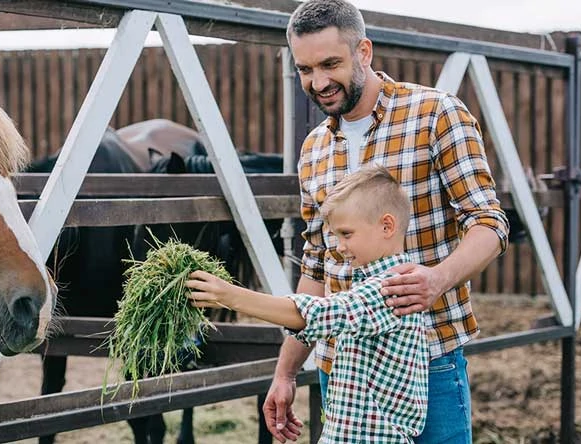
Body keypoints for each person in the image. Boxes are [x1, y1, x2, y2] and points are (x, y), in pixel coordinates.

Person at [263, 1, 510, 443]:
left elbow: (488, 222)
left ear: (364, 52)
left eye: (330, 64)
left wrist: (437, 279)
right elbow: (316, 268)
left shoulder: (436, 115)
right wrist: (285, 372)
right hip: (342, 373)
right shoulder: (314, 149)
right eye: (304, 69)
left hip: (427, 363)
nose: (318, 83)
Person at [187, 165, 429, 442]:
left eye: (346, 234)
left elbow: (319, 313)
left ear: (387, 226)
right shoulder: (371, 284)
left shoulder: (393, 289)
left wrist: (231, 296)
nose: (339, 246)